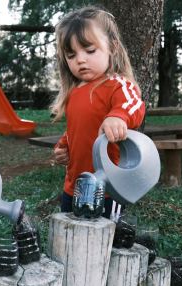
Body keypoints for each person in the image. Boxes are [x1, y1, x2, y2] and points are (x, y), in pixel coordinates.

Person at [52, 6, 145, 217]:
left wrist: (118, 116)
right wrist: (64, 145)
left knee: (103, 242)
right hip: (74, 185)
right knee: (71, 236)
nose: (81, 60)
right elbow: (79, 128)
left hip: (107, 187)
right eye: (71, 55)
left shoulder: (117, 85)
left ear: (112, 47)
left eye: (90, 50)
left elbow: (135, 105)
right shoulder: (74, 92)